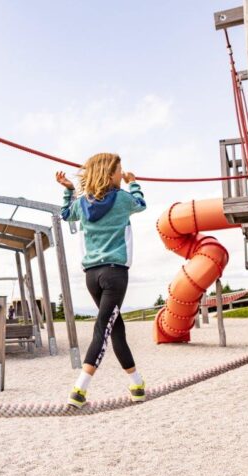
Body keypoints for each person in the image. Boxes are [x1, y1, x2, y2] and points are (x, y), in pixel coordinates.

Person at [56, 152, 146, 408]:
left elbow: (65, 213)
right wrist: (133, 182)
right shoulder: (123, 199)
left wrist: (69, 190)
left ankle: (137, 383)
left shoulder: (82, 203)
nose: (122, 173)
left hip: (92, 276)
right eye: (120, 170)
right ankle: (79, 389)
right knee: (101, 331)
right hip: (115, 273)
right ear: (110, 174)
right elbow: (141, 204)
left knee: (115, 328)